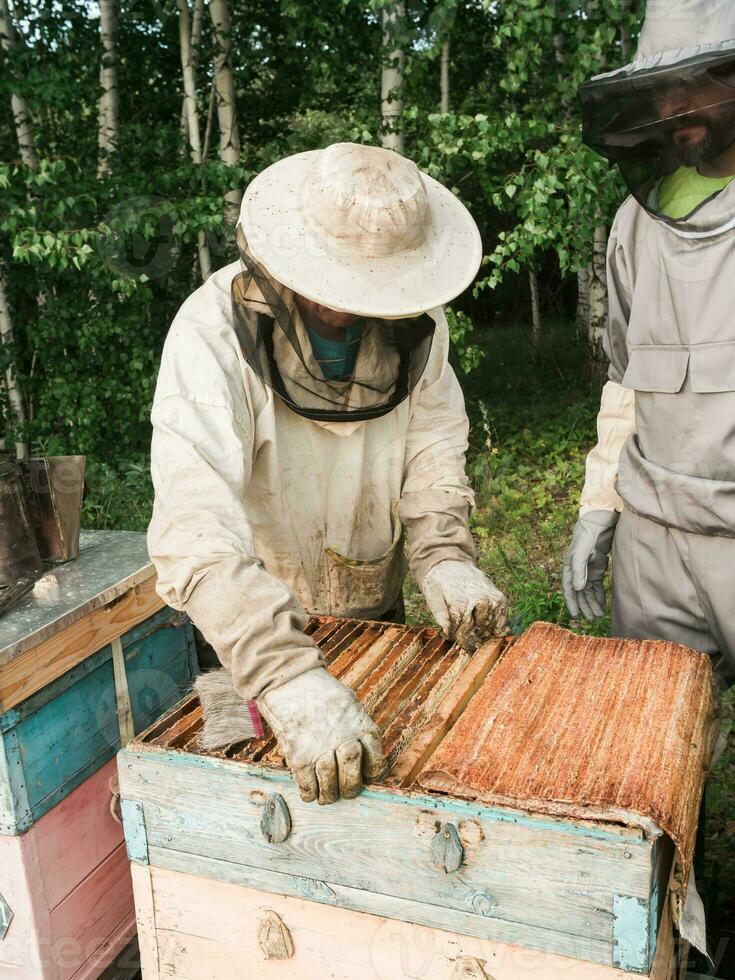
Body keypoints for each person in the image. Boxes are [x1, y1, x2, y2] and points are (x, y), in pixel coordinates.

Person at [148, 142, 509, 806]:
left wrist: (443, 552)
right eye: (329, 287)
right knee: (242, 803)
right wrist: (285, 679)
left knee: (378, 799)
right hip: (241, 639)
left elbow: (433, 443)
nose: (342, 311)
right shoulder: (209, 335)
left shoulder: (417, 329)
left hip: (376, 610)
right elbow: (193, 524)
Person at [563, 0, 735, 692]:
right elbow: (625, 384)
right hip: (654, 543)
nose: (673, 105)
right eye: (659, 87)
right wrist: (599, 506)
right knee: (651, 758)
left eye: (695, 81)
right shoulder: (634, 221)